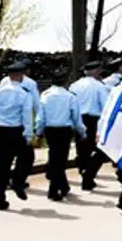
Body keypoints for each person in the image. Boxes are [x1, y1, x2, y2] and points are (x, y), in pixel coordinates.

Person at [35, 70, 86, 201]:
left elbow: (40, 118)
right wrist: (82, 132)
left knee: (54, 156)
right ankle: (53, 190)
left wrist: (38, 133)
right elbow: (76, 117)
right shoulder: (70, 97)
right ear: (65, 81)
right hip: (64, 131)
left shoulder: (45, 95)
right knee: (60, 161)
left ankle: (63, 186)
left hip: (50, 130)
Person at [0, 62, 34, 210]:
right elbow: (26, 115)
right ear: (20, 75)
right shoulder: (24, 93)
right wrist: (28, 135)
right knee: (27, 158)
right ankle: (18, 181)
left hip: (0, 129)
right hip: (16, 130)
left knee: (2, 164)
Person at [0, 57, 40, 188]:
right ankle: (18, 181)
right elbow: (36, 105)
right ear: (26, 70)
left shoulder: (4, 81)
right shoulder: (31, 84)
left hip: (2, 124)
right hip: (20, 125)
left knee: (5, 157)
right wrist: (37, 126)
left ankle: (4, 182)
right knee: (27, 157)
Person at [69, 60, 109, 190]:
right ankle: (88, 175)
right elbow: (105, 106)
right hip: (93, 120)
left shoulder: (74, 85)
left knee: (82, 150)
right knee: (100, 150)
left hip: (78, 118)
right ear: (96, 71)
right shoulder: (99, 86)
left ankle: (84, 172)